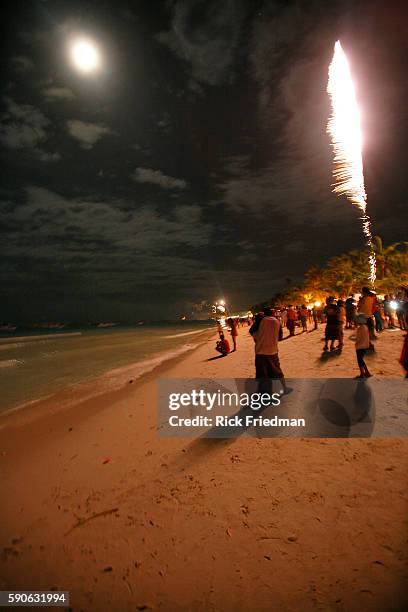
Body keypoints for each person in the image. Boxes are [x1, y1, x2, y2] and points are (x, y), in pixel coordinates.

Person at [252, 307, 290, 393]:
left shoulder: (260, 320)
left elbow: (252, 331)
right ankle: (284, 388)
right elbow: (280, 338)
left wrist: (258, 339)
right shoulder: (277, 322)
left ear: (264, 314)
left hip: (260, 351)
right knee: (277, 370)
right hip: (273, 350)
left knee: (262, 373)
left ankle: (264, 393)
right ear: (272, 313)